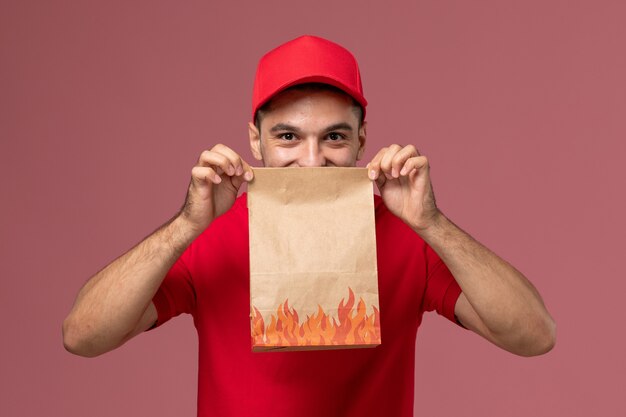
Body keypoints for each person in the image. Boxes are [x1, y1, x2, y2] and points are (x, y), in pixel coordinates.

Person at [63, 35, 556, 416]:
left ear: (363, 139)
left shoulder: (408, 235)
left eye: (335, 137)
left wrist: (432, 224)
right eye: (288, 137)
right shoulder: (211, 232)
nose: (313, 160)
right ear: (255, 141)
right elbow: (83, 336)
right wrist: (184, 227)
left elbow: (534, 336)